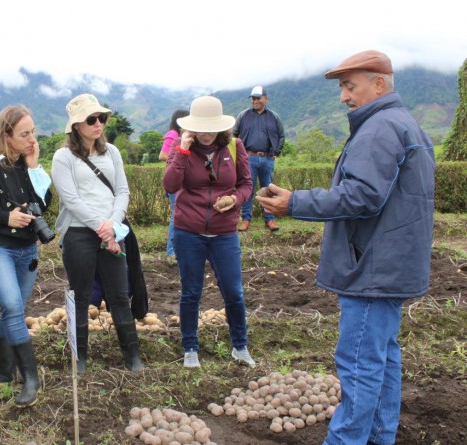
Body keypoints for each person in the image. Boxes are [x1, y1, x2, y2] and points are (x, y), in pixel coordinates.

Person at [256, 50, 435, 445]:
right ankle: (378, 436)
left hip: (372, 268)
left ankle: (347, 440)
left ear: (380, 84)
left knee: (358, 362)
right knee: (382, 359)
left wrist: (294, 202)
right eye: (342, 87)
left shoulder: (380, 129)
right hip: (389, 264)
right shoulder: (404, 125)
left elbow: (362, 196)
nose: (343, 97)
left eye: (349, 86)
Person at [51, 93, 144, 374]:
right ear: (76, 125)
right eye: (91, 119)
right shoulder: (63, 157)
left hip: (112, 232)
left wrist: (112, 226)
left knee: (118, 294)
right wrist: (101, 227)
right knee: (80, 295)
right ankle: (79, 359)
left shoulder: (112, 152)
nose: (98, 123)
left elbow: (122, 191)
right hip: (79, 233)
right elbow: (70, 199)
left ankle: (133, 356)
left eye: (101, 117)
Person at [163, 96, 255, 369]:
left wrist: (234, 200)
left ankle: (240, 346)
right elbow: (170, 185)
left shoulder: (235, 147)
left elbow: (246, 184)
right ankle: (190, 348)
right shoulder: (182, 148)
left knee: (234, 292)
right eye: (199, 128)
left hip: (224, 233)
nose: (204, 133)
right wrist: (182, 151)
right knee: (191, 291)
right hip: (188, 231)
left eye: (210, 128)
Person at [0, 105, 52, 406]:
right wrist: (4, 217)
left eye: (32, 132)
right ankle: (30, 378)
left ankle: (4, 371)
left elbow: (43, 207)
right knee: (11, 305)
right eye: (24, 134)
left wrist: (35, 168)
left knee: (15, 310)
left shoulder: (28, 166)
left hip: (27, 249)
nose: (31, 139)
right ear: (6, 135)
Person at [233, 86, 285, 232]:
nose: (255, 101)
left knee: (268, 189)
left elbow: (281, 136)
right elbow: (234, 135)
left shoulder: (274, 117)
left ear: (265, 99)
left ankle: (269, 219)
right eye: (253, 98)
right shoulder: (244, 115)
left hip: (267, 158)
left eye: (258, 98)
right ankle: (246, 220)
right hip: (248, 157)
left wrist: (277, 151)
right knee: (247, 188)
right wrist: (238, 154)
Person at [159, 109, 189, 263]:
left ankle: (179, 249)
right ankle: (171, 251)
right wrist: (179, 153)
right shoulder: (173, 135)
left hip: (182, 180)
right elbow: (163, 155)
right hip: (174, 180)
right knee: (176, 214)